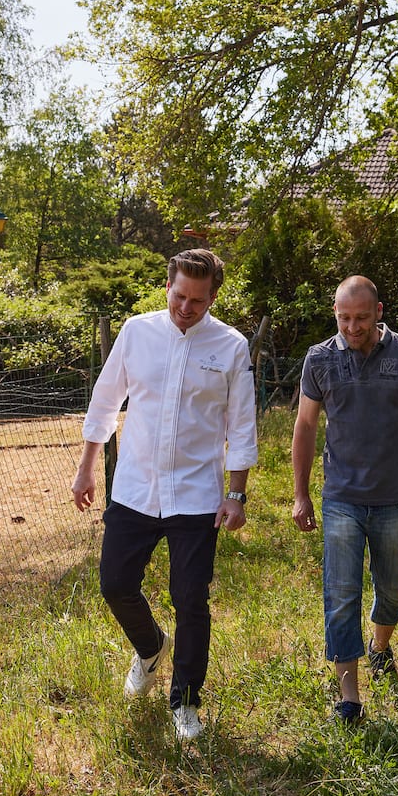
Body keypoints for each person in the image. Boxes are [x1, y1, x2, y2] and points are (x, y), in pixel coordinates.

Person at [72, 248, 258, 741]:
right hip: (135, 488)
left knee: (190, 598)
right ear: (168, 286)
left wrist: (236, 495)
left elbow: (242, 425)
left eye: (198, 300)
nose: (186, 308)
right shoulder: (137, 332)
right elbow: (105, 401)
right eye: (179, 296)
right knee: (115, 584)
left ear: (212, 298)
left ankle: (186, 702)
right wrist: (86, 468)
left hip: (196, 496)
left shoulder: (231, 347)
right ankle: (151, 646)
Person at [291, 275, 398, 723]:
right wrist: (300, 494)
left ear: (378, 312)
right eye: (344, 318)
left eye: (360, 318)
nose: (352, 327)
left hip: (394, 497)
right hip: (341, 497)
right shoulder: (319, 359)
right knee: (341, 595)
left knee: (393, 589)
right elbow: (305, 425)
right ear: (335, 314)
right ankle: (350, 697)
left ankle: (379, 645)